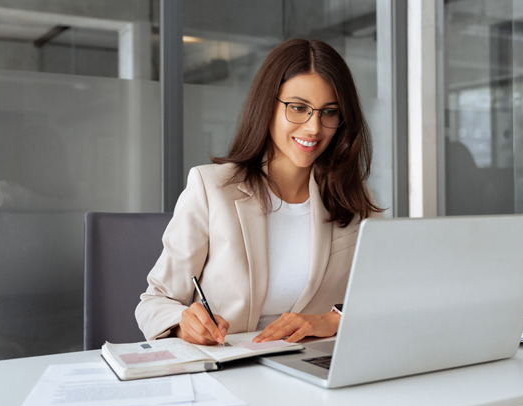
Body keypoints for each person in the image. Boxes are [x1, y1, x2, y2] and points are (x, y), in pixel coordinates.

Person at [135, 39, 382, 346]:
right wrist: (183, 326)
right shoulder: (211, 188)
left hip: (314, 372)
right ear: (268, 105)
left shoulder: (356, 199)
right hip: (230, 369)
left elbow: (387, 298)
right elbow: (155, 301)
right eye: (298, 108)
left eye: (328, 112)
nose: (314, 128)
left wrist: (332, 320)